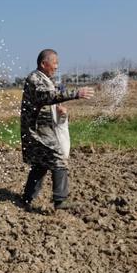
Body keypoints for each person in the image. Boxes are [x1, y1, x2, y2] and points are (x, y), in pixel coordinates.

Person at [20, 49, 94, 211]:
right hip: (37, 130)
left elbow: (55, 94)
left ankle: (27, 199)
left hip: (44, 128)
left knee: (41, 163)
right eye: (55, 63)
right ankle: (60, 201)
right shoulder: (35, 79)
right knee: (58, 158)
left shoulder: (46, 79)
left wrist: (60, 108)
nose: (57, 66)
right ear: (43, 64)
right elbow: (47, 96)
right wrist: (76, 94)